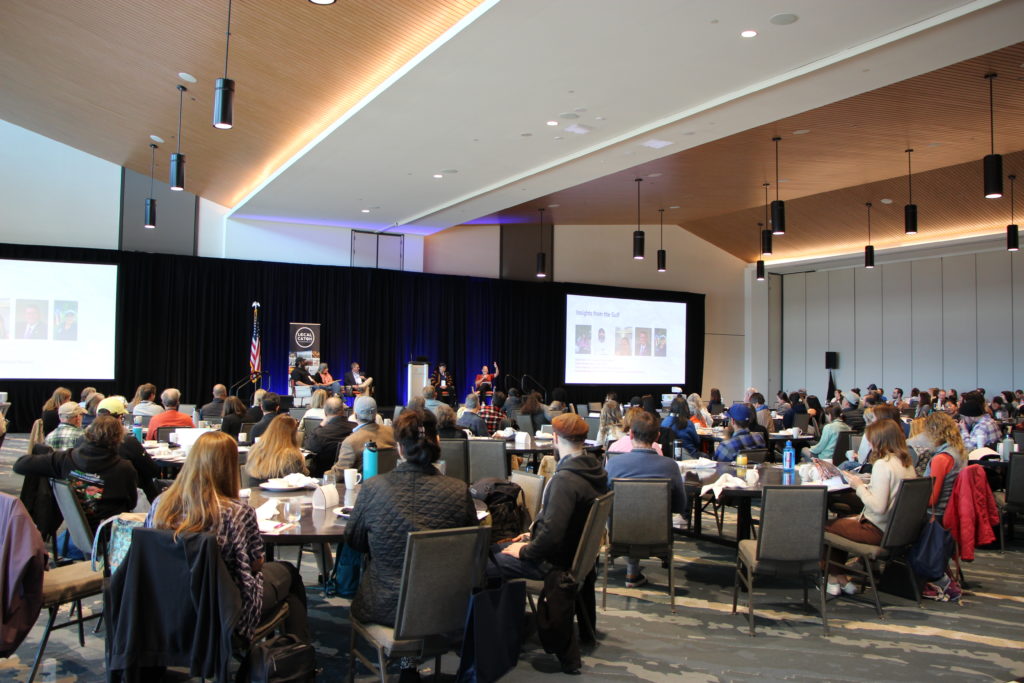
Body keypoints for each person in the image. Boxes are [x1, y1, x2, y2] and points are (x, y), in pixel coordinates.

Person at [345, 408, 476, 681]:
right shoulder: (458, 491)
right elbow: (469, 549)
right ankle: (410, 663)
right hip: (444, 608)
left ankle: (407, 663)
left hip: (382, 606)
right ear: (437, 442)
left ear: (399, 449)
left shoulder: (373, 488)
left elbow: (354, 542)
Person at [146, 431, 310, 643]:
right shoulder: (236, 512)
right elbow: (255, 564)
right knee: (288, 573)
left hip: (169, 602)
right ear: (230, 467)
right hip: (226, 608)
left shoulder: (161, 504)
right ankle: (297, 657)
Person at [490, 413, 608, 674]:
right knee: (497, 549)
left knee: (486, 561)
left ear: (555, 439)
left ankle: (496, 636)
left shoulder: (566, 480)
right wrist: (531, 536)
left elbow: (551, 537)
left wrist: (526, 549)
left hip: (554, 562)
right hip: (575, 557)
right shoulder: (595, 471)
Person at [824, 420, 916, 595]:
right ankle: (839, 578)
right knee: (840, 524)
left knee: (826, 527)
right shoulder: (907, 464)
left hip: (877, 529)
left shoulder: (883, 464)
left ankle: (834, 578)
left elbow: (878, 507)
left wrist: (858, 486)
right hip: (898, 531)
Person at [605, 411, 688, 587]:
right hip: (658, 533)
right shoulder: (670, 466)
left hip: (619, 533)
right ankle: (634, 573)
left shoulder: (613, 464)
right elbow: (681, 506)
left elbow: (603, 501)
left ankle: (631, 571)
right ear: (657, 436)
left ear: (631, 434)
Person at [15, 415, 138, 532]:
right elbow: (132, 502)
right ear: (119, 438)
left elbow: (20, 465)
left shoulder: (65, 459)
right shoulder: (124, 468)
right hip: (108, 534)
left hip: (75, 527)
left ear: (88, 433)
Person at [332, 396, 396, 476]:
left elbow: (339, 474)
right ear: (375, 414)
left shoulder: (350, 442)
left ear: (355, 415)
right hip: (390, 484)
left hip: (363, 487)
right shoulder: (393, 433)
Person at [244, 415, 307, 487]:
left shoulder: (254, 450)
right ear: (293, 434)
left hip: (255, 494)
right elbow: (299, 481)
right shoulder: (293, 456)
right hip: (284, 496)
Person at [304, 397, 354, 476]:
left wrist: (320, 426)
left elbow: (307, 447)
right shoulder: (356, 429)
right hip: (351, 476)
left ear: (325, 412)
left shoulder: (319, 433)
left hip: (324, 477)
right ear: (343, 411)